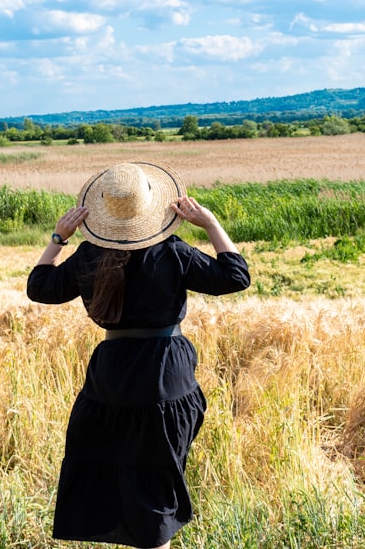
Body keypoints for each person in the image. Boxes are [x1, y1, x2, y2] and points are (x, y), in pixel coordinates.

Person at [27, 161, 251, 549]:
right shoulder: (173, 252)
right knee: (157, 484)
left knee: (119, 479)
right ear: (152, 210)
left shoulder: (89, 256)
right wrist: (211, 224)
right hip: (167, 375)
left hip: (111, 379)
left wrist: (58, 237)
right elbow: (236, 277)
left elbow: (39, 286)